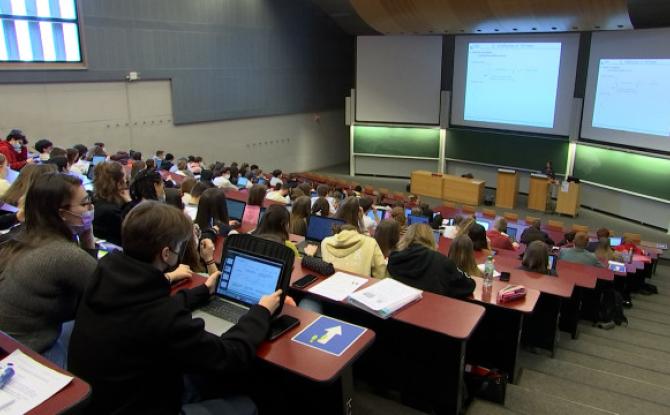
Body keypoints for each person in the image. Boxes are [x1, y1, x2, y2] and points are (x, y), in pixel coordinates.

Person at [68, 201, 282, 414]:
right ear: (166, 254)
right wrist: (261, 312)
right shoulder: (161, 315)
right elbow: (230, 356)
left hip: (104, 400)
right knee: (247, 403)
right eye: (180, 246)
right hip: (144, 405)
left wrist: (203, 291)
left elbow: (146, 308)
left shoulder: (104, 276)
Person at [0, 173, 97, 367]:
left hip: (8, 342)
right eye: (85, 203)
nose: (90, 208)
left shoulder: (20, 236)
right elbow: (103, 290)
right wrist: (88, 239)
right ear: (62, 213)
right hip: (28, 354)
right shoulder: (65, 255)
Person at [387, 224, 475, 299]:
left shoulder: (394, 258)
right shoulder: (442, 262)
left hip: (400, 308)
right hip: (433, 309)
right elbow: (468, 285)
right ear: (431, 238)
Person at [320, 224, 386, 279]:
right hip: (359, 287)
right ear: (356, 231)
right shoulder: (371, 242)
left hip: (329, 286)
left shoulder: (325, 242)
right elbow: (381, 273)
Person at [92, 162, 132, 246]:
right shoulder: (113, 212)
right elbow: (136, 232)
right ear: (119, 184)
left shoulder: (95, 201)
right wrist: (129, 202)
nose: (126, 181)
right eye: (125, 178)